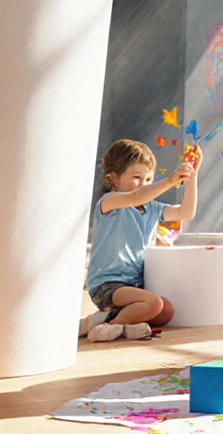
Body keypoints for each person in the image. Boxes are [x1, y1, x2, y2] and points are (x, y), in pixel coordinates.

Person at [82, 139, 200, 342]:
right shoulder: (110, 202)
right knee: (154, 304)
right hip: (106, 285)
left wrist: (192, 177)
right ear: (113, 178)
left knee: (166, 311)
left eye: (148, 179)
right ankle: (107, 327)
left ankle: (112, 322)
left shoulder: (152, 209)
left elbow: (185, 212)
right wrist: (170, 181)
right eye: (137, 177)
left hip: (133, 286)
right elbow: (136, 197)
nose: (144, 184)